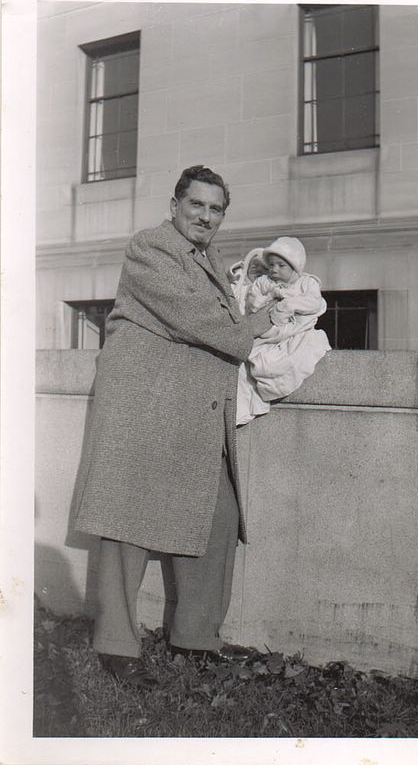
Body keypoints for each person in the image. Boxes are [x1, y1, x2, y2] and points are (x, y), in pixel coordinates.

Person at [72, 165, 275, 688]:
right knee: (125, 523)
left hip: (191, 407)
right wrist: (263, 322)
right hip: (143, 403)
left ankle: (196, 637)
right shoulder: (150, 248)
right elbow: (200, 321)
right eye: (197, 205)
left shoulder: (210, 257)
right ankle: (115, 644)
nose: (206, 216)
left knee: (218, 516)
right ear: (175, 206)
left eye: (216, 209)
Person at [236, 237, 331, 426]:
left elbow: (314, 302)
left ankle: (271, 386)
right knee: (249, 360)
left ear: (295, 267)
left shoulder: (306, 283)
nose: (274, 270)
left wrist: (289, 303)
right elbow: (252, 303)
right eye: (271, 265)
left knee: (292, 356)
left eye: (281, 265)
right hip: (268, 331)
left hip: (294, 329)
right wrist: (270, 296)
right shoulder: (265, 282)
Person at [227, 248, 268, 314]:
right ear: (247, 267)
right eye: (255, 265)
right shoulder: (235, 287)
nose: (259, 269)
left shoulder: (269, 290)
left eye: (265, 268)